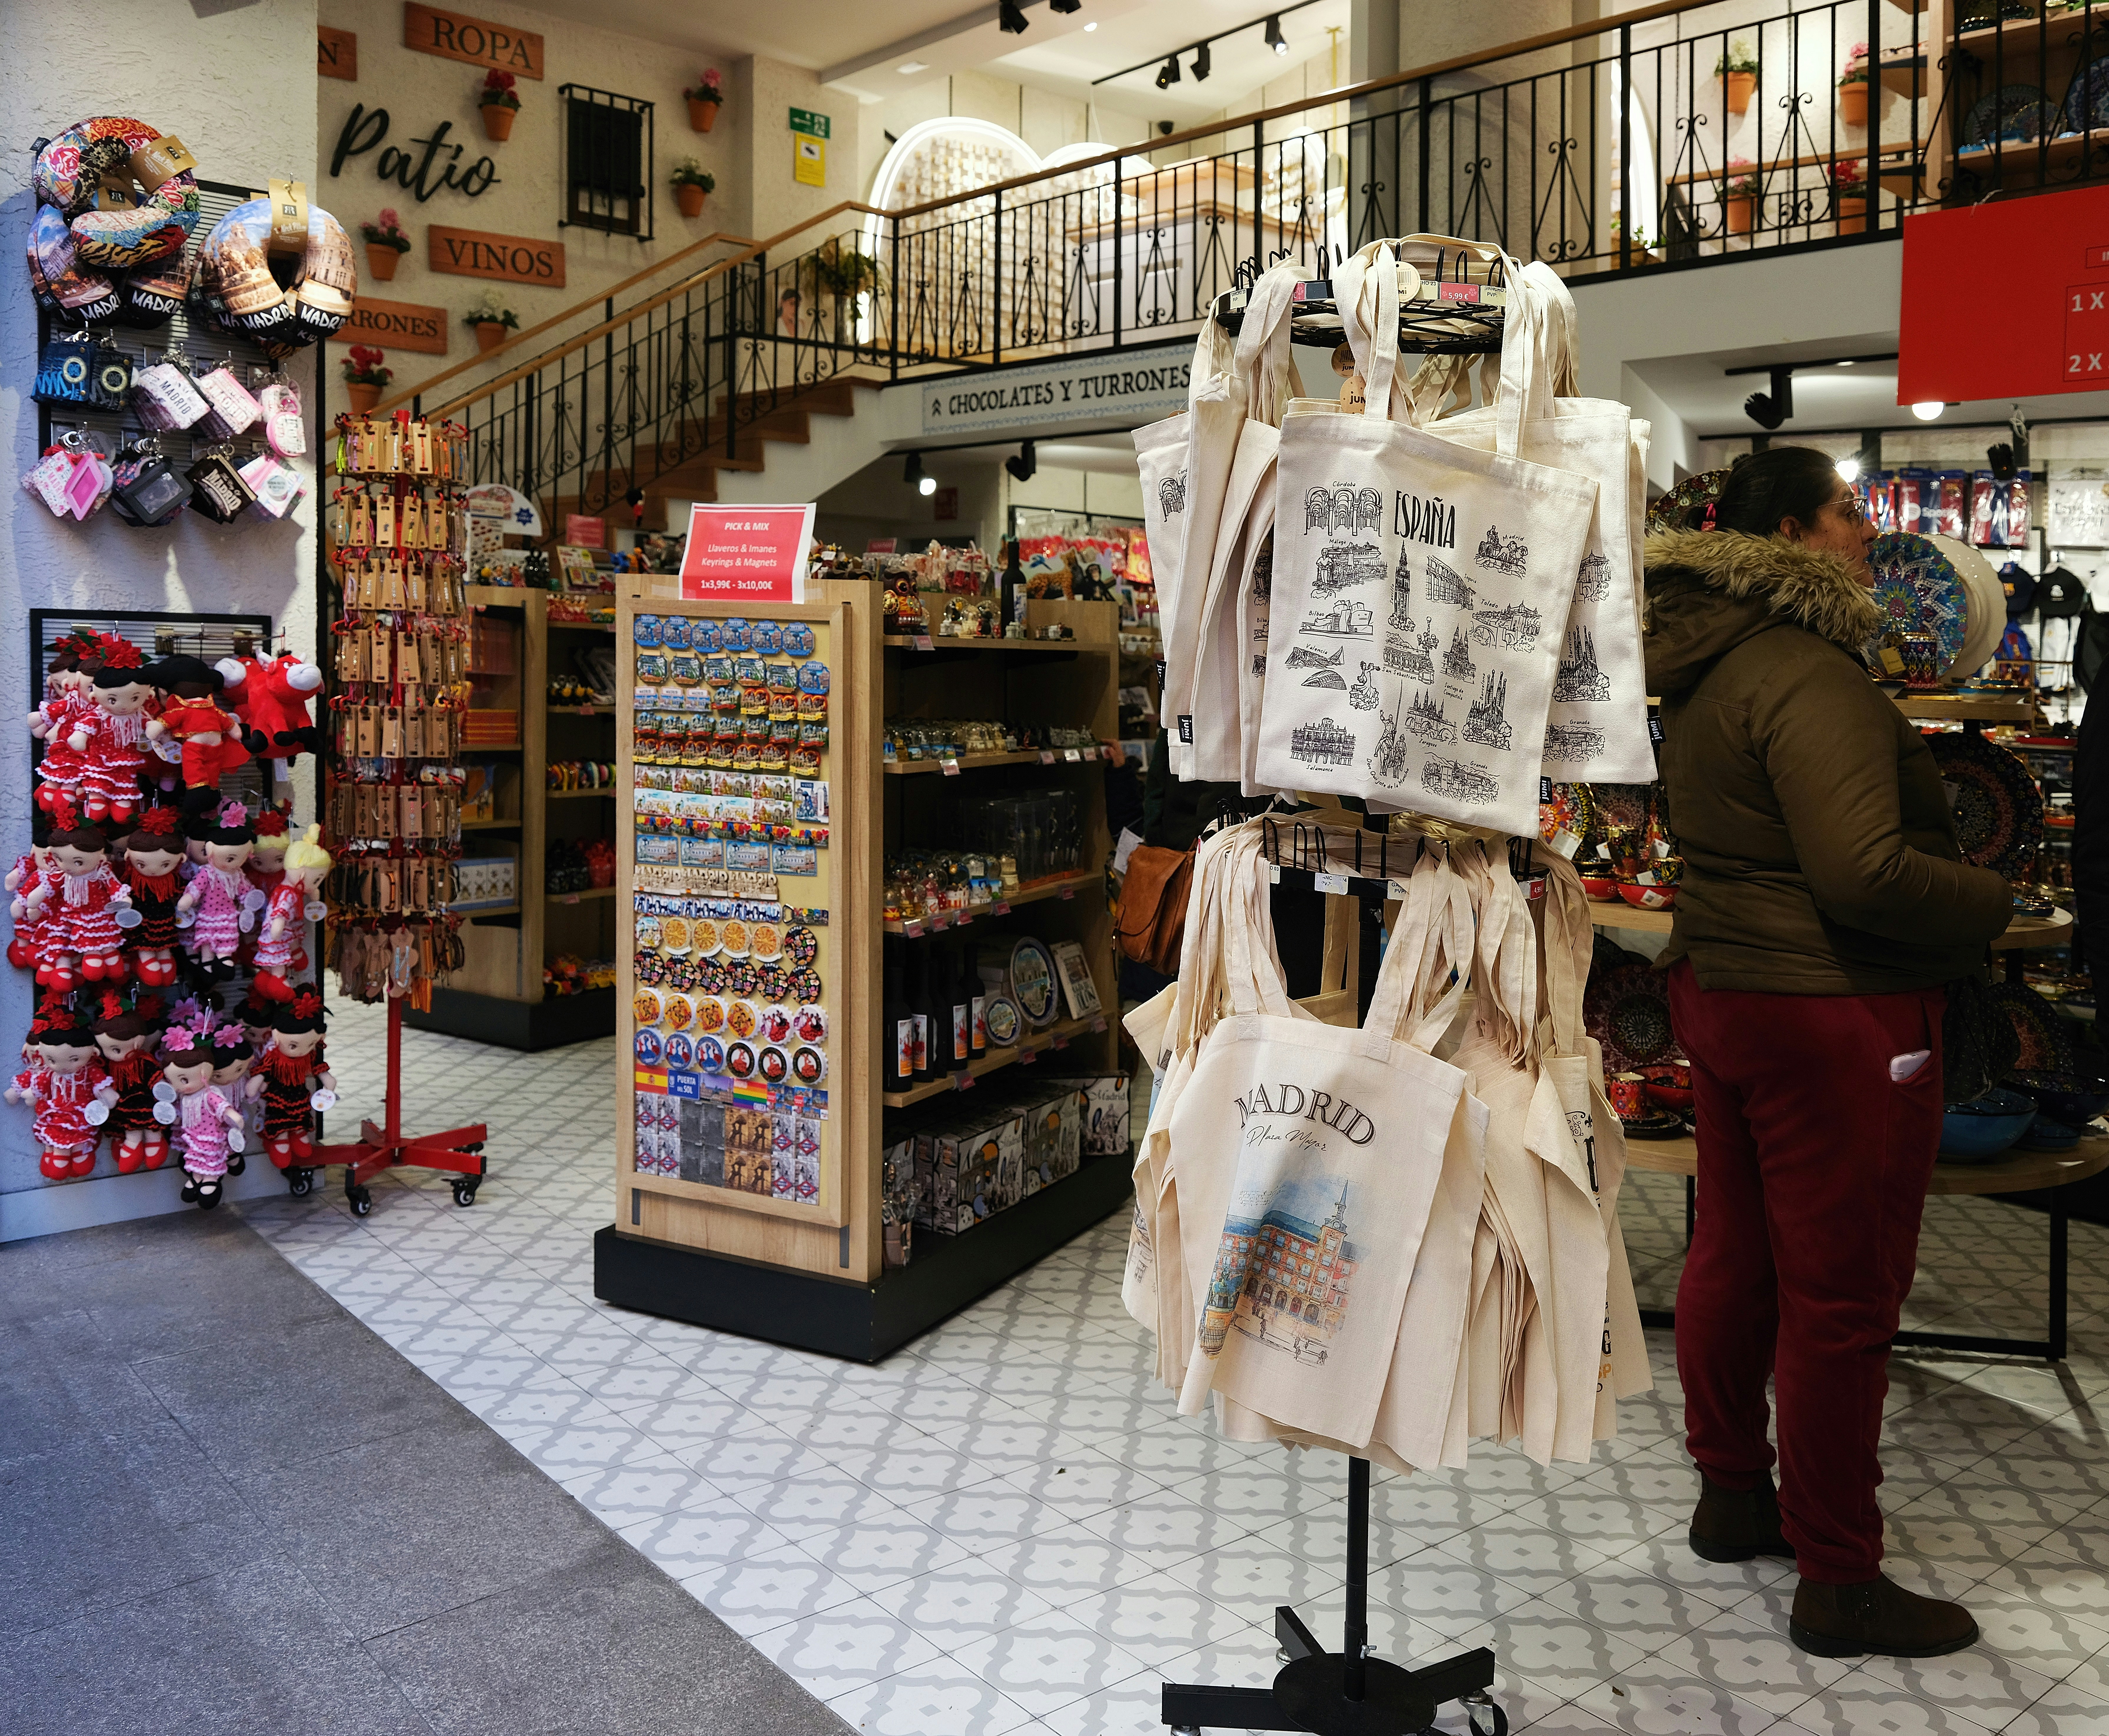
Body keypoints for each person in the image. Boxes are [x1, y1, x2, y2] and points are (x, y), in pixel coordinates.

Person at [1642, 446, 2011, 1659]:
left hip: (1729, 988)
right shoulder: (1810, 672)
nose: (1870, 530)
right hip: (1833, 1010)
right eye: (1851, 510)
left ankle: (1731, 1492)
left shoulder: (1705, 657)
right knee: (1841, 1294)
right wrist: (1984, 904)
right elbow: (1863, 871)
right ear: (1798, 532)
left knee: (1735, 1254)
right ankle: (1841, 1576)